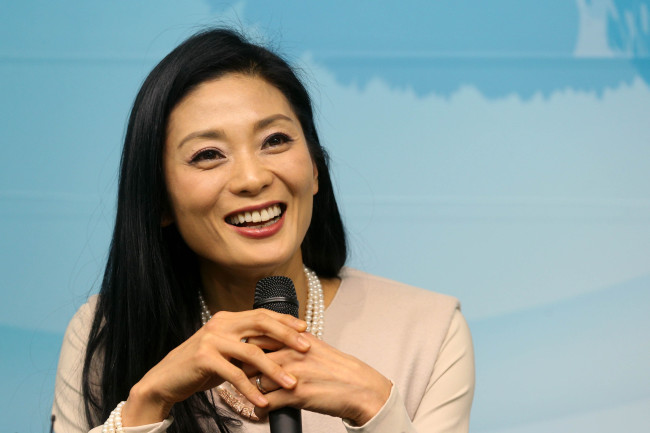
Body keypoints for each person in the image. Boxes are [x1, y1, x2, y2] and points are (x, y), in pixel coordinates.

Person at [51, 28, 474, 433]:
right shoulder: (106, 332)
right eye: (208, 154)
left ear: (314, 169)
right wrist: (148, 402)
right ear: (159, 200)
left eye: (274, 140)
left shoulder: (427, 331)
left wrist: (377, 410)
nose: (252, 178)